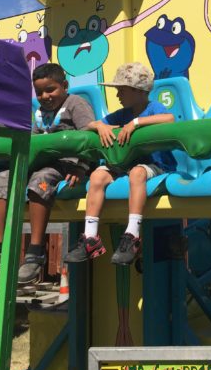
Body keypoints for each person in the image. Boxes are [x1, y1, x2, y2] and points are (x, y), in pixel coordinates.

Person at [0, 63, 95, 284]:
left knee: (41, 181)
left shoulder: (76, 104)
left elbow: (89, 137)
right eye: (39, 92)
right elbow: (31, 142)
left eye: (50, 90)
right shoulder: (39, 113)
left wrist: (81, 166)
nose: (45, 96)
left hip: (63, 164)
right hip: (36, 161)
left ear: (64, 85)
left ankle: (35, 251)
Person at [65, 62, 175, 266]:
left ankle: (132, 235)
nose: (117, 95)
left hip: (156, 165)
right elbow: (89, 125)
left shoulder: (153, 108)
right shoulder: (121, 113)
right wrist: (99, 126)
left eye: (121, 90)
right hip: (123, 165)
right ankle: (90, 239)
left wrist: (135, 124)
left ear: (138, 91)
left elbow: (169, 119)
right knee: (97, 176)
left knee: (137, 173)